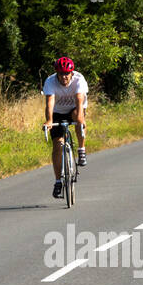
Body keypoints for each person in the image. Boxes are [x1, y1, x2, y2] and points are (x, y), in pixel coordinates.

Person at [42, 57, 88, 198]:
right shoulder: (50, 81)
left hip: (74, 109)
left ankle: (81, 149)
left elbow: (79, 101)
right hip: (57, 113)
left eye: (67, 73)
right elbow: (50, 102)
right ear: (57, 73)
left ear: (71, 73)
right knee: (57, 145)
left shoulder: (79, 80)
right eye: (61, 74)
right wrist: (49, 120)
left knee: (78, 118)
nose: (64, 77)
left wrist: (80, 120)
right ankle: (58, 182)